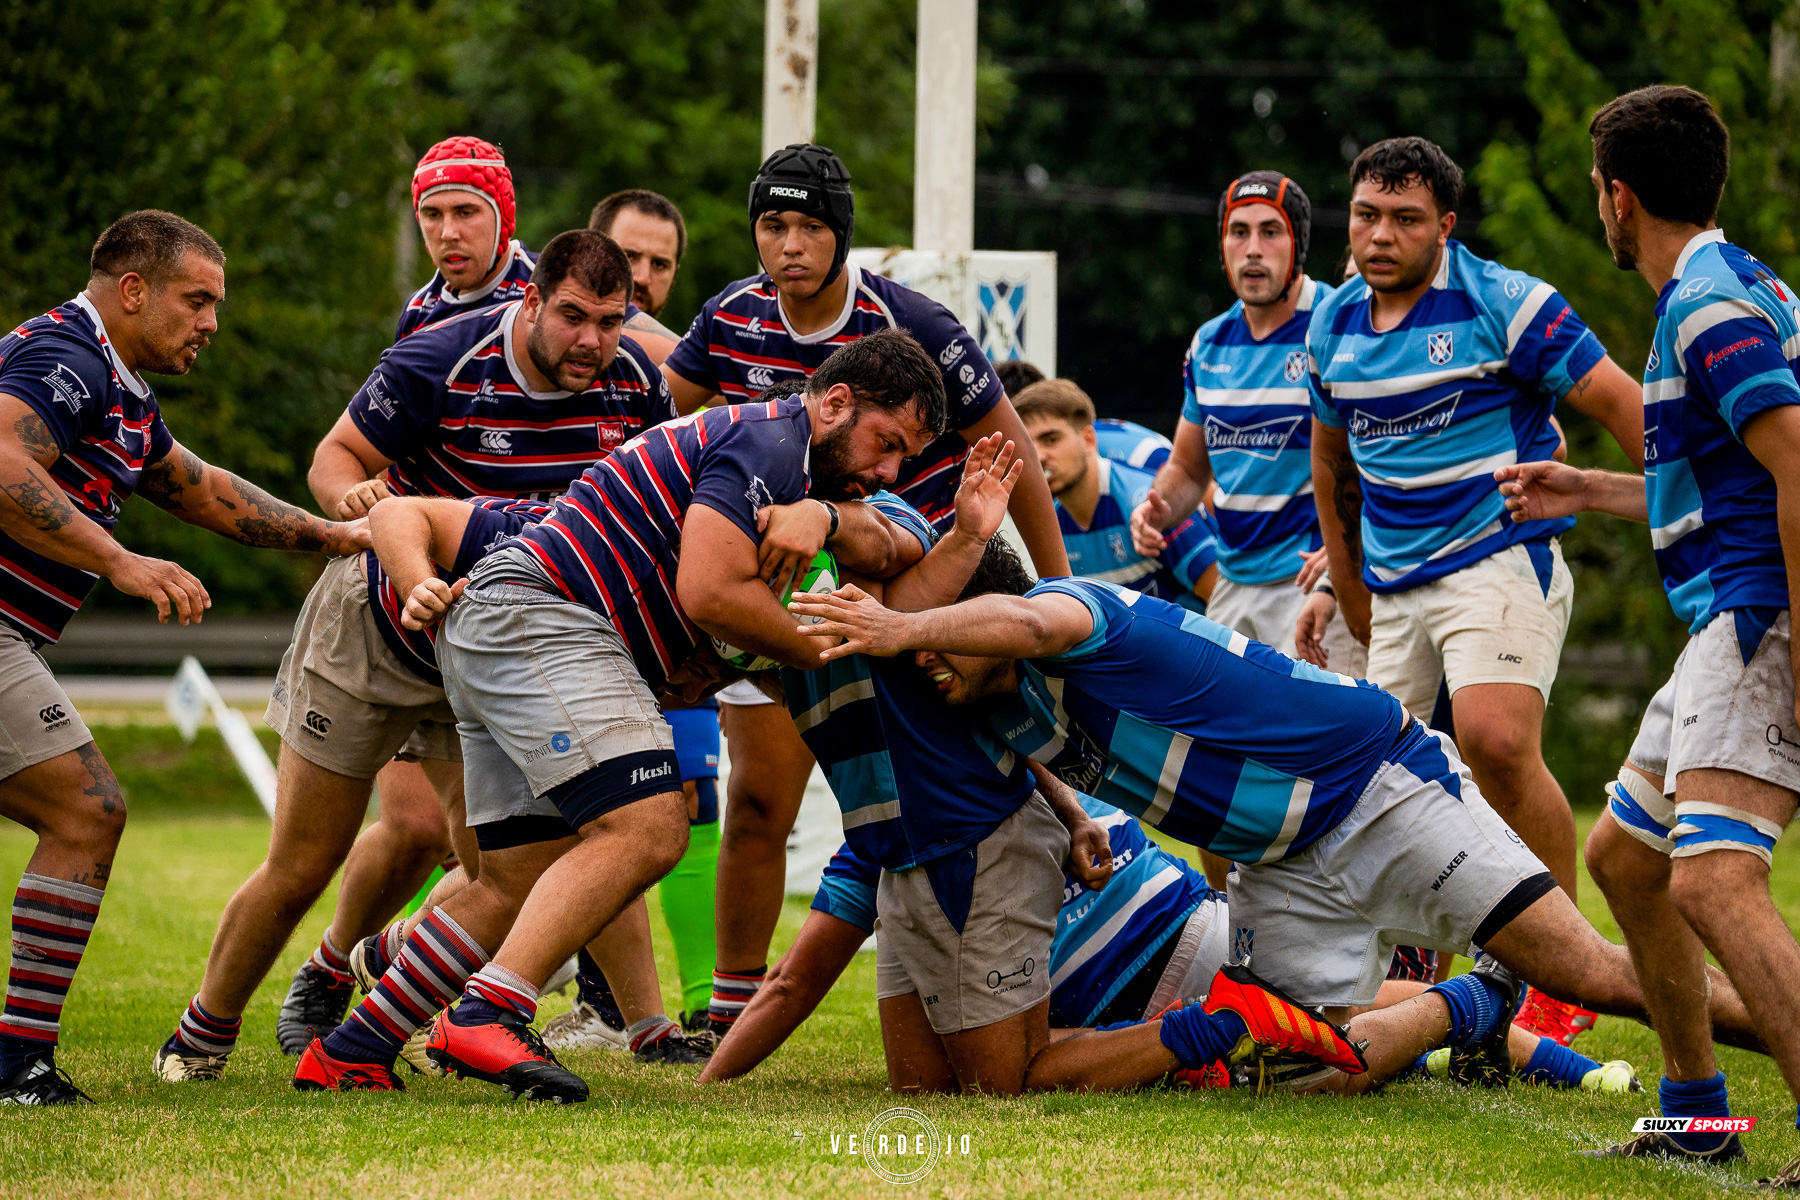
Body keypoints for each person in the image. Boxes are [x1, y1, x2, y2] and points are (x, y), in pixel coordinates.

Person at [787, 541, 1769, 1096]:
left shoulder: (1076, 615)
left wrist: (904, 624)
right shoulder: (989, 699)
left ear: (984, 615)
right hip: (1279, 868)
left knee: (1588, 970)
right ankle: (1469, 1007)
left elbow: (1036, 623)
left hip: (1379, 789)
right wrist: (1075, 813)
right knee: (1302, 1072)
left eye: (942, 640)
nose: (928, 664)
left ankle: (1718, 1079)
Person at [291, 328, 949, 1100]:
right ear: (834, 404)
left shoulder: (786, 459)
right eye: (886, 443)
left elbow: (892, 539)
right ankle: (488, 1013)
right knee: (652, 826)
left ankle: (352, 1049)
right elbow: (710, 591)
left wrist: (838, 524)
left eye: (905, 458)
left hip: (507, 624)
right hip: (542, 619)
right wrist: (808, 647)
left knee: (516, 880)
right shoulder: (773, 442)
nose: (888, 468)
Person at [155, 230, 683, 1081]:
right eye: (575, 318)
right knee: (303, 862)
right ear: (532, 301)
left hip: (493, 655)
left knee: (509, 874)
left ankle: (378, 981)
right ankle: (200, 1037)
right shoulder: (442, 357)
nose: (593, 342)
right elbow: (335, 459)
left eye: (612, 322)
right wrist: (358, 505)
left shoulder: (634, 384)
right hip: (376, 625)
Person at [661, 144, 1072, 1040]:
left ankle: (1044, 939)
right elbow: (669, 408)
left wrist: (1064, 597)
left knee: (964, 764)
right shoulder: (730, 314)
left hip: (912, 582)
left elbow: (1017, 458)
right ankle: (731, 1006)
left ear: (841, 234)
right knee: (762, 795)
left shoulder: (913, 320)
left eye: (812, 226)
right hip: (780, 578)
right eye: (774, 225)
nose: (792, 245)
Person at [1497, 86, 1800, 1180]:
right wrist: (1589, 486)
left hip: (1758, 614)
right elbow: (1715, 483)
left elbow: (1795, 464)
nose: (1599, 210)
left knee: (1715, 881)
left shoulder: (1710, 305)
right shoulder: (1723, 288)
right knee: (1624, 856)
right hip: (1730, 609)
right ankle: (1699, 1110)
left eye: (1596, 193)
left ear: (1620, 199)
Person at [0, 211, 367, 1104]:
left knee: (84, 813)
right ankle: (16, 1066)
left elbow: (200, 490)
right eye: (197, 301)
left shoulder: (117, 388)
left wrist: (338, 536)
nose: (211, 322)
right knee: (87, 812)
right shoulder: (69, 363)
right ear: (134, 290)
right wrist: (121, 560)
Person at [1301, 137, 1648, 1045]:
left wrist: (1697, 505)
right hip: (1393, 583)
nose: (1382, 235)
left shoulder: (1507, 300)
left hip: (1501, 557)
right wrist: (1346, 587)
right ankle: (1421, 977)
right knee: (1373, 780)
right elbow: (1332, 467)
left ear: (1444, 227)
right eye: (1368, 215)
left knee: (1493, 741)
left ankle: (1564, 979)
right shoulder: (1332, 324)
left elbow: (1622, 404)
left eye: (1406, 219)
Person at [704, 801, 1641, 1097]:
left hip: (1169, 968)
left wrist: (711, 1081)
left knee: (1333, 1056)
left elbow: (791, 984)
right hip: (1195, 927)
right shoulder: (1032, 728)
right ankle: (1587, 1073)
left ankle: (1470, 1011)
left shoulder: (878, 829)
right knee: (1343, 1033)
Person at [1131, 171, 1358, 672]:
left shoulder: (1339, 321)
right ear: (1222, 246)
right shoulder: (1209, 342)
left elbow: (1379, 451)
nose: (1253, 249)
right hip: (1232, 582)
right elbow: (1191, 469)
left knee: (1323, 744)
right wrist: (1156, 508)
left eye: (1270, 231)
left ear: (1297, 244)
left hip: (1314, 581)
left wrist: (1348, 548)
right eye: (1239, 232)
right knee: (1228, 745)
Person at [1014, 378, 1218, 608]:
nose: (1039, 456)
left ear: (1089, 439)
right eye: (1028, 447)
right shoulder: (1050, 524)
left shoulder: (1148, 504)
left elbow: (1221, 598)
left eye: (1051, 439)